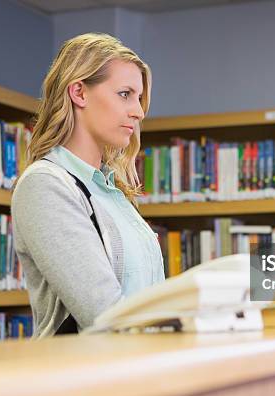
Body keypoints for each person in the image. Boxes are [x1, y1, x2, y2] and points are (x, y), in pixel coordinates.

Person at [11, 33, 165, 339]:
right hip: (88, 379)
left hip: (142, 369)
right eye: (125, 94)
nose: (139, 111)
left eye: (139, 98)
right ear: (79, 92)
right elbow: (105, 314)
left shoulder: (113, 191)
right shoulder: (45, 185)